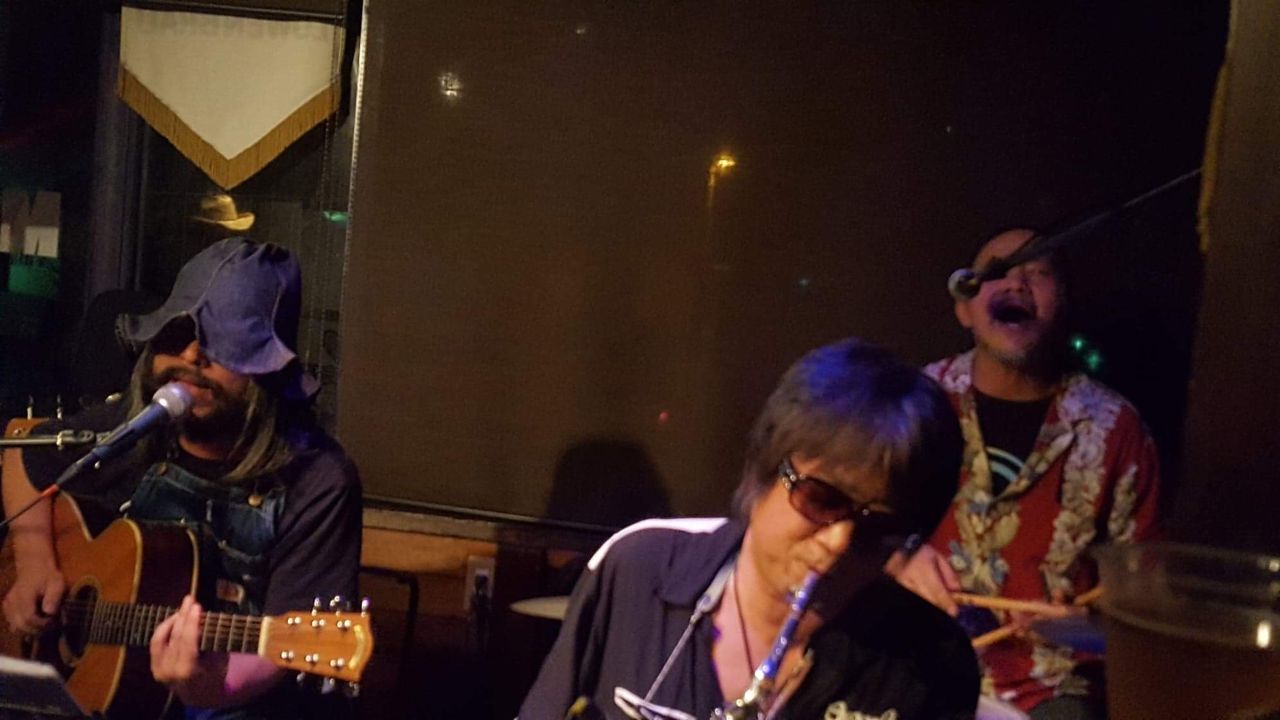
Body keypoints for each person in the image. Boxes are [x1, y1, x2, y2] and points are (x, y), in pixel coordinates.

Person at [520, 338, 979, 720]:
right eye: (822, 498)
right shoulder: (639, 567)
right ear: (763, 469)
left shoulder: (934, 663)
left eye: (881, 526)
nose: (839, 542)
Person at [2, 238, 362, 719]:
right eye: (176, 333)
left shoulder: (316, 478)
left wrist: (208, 685)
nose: (192, 354)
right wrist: (33, 561)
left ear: (267, 368)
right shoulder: (132, 428)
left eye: (222, 340)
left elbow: (283, 647)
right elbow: (24, 451)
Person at [895, 228, 1160, 719]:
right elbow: (843, 523)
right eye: (997, 272)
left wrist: (1089, 622)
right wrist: (898, 557)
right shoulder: (916, 402)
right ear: (964, 308)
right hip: (911, 665)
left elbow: (1142, 597)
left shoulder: (1116, 428)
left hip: (1050, 690)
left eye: (1037, 272)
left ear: (1063, 304)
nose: (1016, 282)